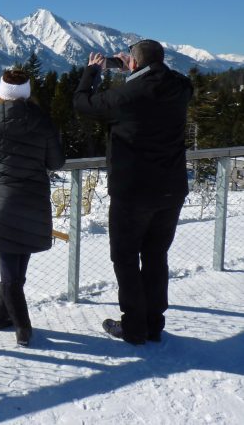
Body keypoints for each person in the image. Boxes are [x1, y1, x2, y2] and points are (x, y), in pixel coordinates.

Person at [73, 39, 192, 345]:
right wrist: (139, 69)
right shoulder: (180, 88)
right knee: (156, 256)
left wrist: (92, 72)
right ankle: (154, 325)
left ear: (134, 64)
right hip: (171, 191)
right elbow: (174, 78)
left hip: (133, 192)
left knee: (125, 258)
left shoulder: (126, 96)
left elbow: (82, 103)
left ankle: (134, 327)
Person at [0, 69, 65, 346]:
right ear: (27, 92)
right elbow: (56, 162)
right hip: (33, 199)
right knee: (17, 266)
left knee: (11, 268)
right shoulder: (43, 122)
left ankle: (22, 327)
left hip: (3, 202)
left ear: (2, 92)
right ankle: (1, 318)